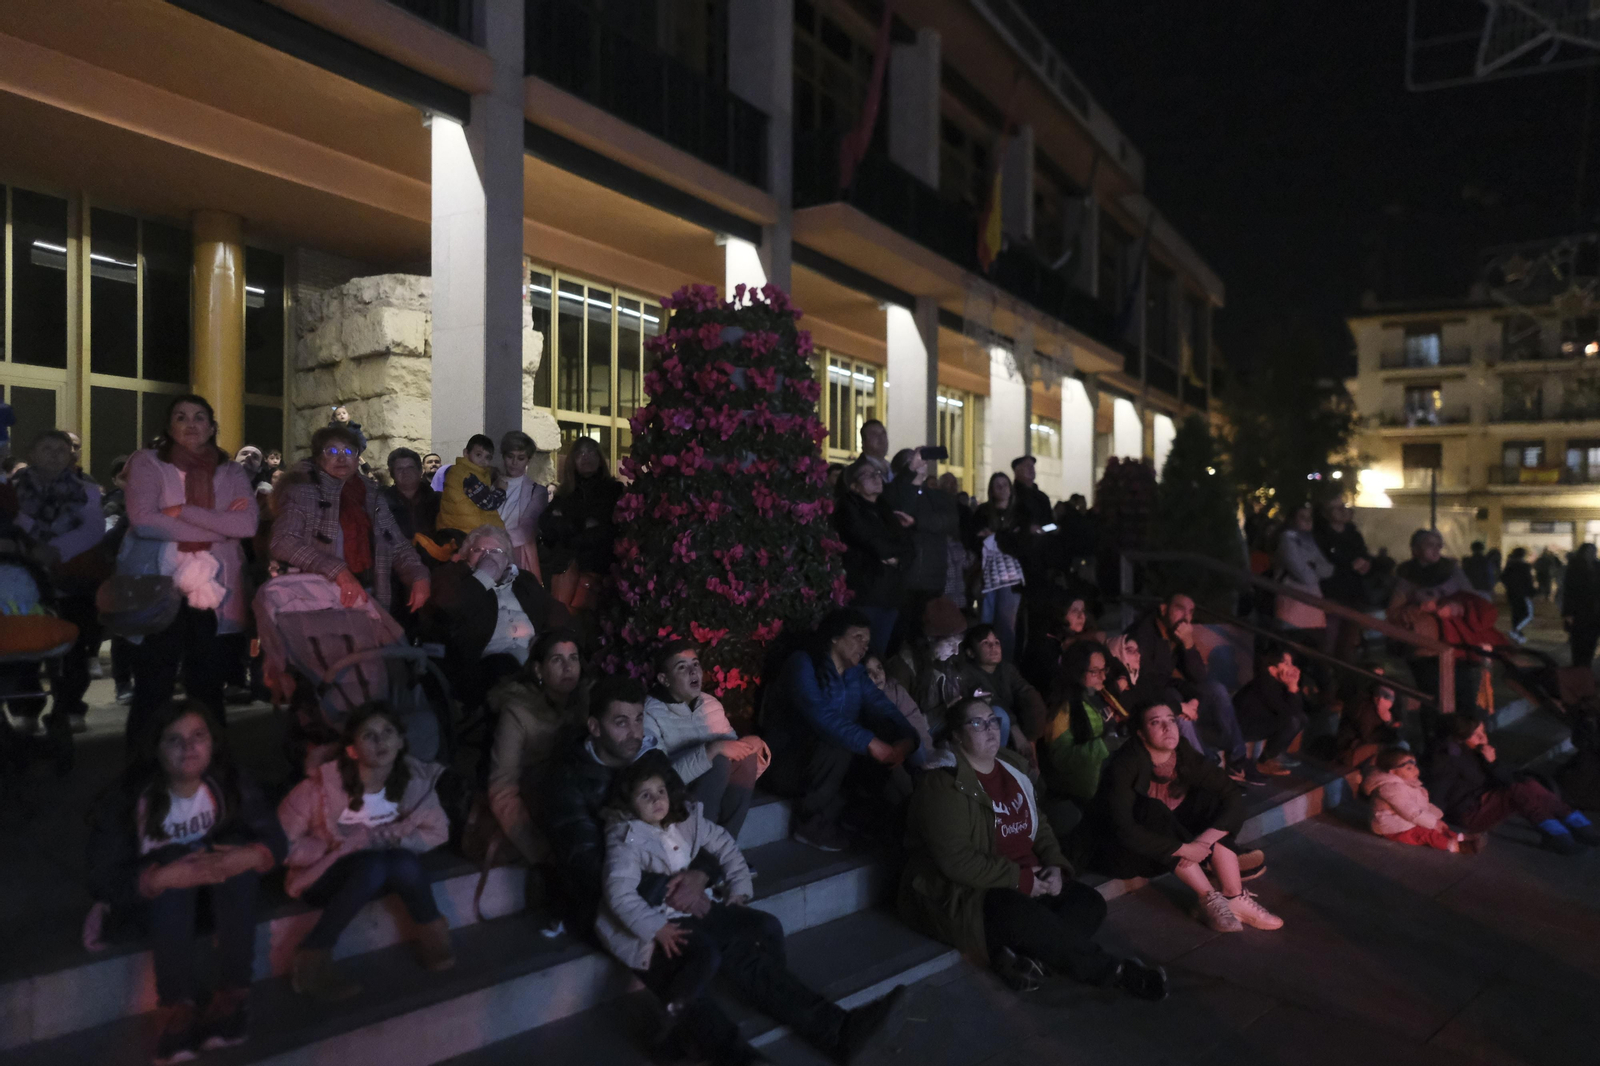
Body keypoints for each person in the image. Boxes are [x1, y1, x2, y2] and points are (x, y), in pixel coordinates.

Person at [599, 753, 914, 1066]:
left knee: (752, 950)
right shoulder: (624, 836)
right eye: (646, 795)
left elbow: (719, 842)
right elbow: (618, 890)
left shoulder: (681, 820)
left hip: (695, 908)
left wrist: (733, 885)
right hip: (653, 925)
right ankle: (741, 1059)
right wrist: (656, 921)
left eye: (660, 792)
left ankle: (839, 1030)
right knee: (694, 979)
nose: (656, 799)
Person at [900, 697, 1167, 999]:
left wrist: (1054, 864)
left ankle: (1025, 961)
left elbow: (1039, 826)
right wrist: (1022, 880)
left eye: (992, 721)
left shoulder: (1012, 767)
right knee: (1018, 913)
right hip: (974, 893)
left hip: (1027, 878)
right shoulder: (942, 784)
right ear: (955, 736)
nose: (989, 729)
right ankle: (1113, 971)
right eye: (977, 723)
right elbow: (957, 862)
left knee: (1089, 902)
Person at [86, 703, 285, 1063]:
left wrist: (251, 855)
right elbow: (105, 876)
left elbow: (275, 839)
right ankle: (176, 1007)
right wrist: (160, 877)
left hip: (216, 902)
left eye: (198, 737)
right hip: (154, 908)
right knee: (171, 862)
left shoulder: (229, 781)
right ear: (156, 749)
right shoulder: (129, 797)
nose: (188, 748)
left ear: (213, 743)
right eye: (174, 740)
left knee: (236, 854)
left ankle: (232, 997)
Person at [278, 704, 453, 1001]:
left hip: (381, 872)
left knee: (402, 861)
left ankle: (434, 937)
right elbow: (282, 845)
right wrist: (339, 846)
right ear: (352, 750)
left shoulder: (414, 783)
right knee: (372, 865)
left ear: (400, 742)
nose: (380, 741)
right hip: (325, 877)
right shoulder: (321, 787)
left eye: (388, 733)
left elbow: (438, 830)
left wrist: (400, 840)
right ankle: (312, 958)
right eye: (369, 735)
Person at [122, 395, 259, 744]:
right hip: (158, 585)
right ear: (170, 427)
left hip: (215, 590)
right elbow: (144, 522)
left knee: (207, 688)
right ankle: (144, 772)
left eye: (200, 417)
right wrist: (220, 528)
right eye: (181, 417)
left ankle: (213, 774)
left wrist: (180, 510)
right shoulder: (148, 463)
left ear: (212, 427)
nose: (191, 424)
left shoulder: (231, 471)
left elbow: (246, 525)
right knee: (153, 687)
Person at [544, 678, 723, 935]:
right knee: (707, 953)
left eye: (639, 719)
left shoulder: (652, 760)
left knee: (763, 930)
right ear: (594, 726)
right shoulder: (568, 778)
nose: (635, 732)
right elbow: (587, 864)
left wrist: (703, 873)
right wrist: (672, 888)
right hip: (619, 906)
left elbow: (688, 822)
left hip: (677, 888)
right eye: (621, 723)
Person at [1095, 699, 1283, 932]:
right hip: (1128, 853)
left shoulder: (1182, 751)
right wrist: (1185, 849)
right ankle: (1209, 898)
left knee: (1212, 801)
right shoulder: (1125, 764)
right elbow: (1124, 830)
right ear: (1141, 734)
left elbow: (1232, 795)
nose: (1167, 728)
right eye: (1156, 722)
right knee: (1153, 809)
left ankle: (1233, 897)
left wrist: (1202, 842)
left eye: (1171, 721)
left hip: (1178, 841)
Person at [761, 609, 919, 852]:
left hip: (830, 762)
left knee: (886, 730)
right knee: (842, 737)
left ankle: (860, 812)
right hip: (787, 760)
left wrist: (908, 739)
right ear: (835, 637)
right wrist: (871, 743)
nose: (864, 646)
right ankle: (809, 822)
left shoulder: (856, 674)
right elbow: (820, 716)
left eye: (867, 641)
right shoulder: (803, 663)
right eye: (857, 637)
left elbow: (884, 707)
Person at [270, 424, 431, 618]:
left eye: (348, 451)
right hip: (315, 597)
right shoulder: (303, 490)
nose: (341, 458)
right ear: (318, 457)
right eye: (331, 451)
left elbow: (395, 542)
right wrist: (337, 571)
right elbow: (284, 541)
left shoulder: (370, 494)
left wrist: (418, 575)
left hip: (367, 592)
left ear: (357, 458)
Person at [10, 429, 104, 734]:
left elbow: (92, 531)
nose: (54, 454)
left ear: (71, 456)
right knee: (21, 644)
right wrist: (34, 549)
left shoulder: (86, 491)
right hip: (23, 576)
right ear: (32, 454)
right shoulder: (12, 490)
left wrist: (55, 551)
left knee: (73, 645)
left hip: (71, 577)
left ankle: (70, 706)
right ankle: (25, 707)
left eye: (61, 450)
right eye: (46, 448)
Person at [425, 524, 564, 708]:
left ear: (507, 559)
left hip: (533, 658)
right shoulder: (454, 577)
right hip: (487, 667)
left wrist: (553, 641)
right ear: (466, 556)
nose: (487, 555)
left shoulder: (523, 580)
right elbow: (447, 610)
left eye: (495, 550)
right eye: (478, 550)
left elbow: (554, 611)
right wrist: (483, 577)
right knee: (504, 666)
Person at [486, 629, 589, 868]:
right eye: (557, 659)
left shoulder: (587, 704)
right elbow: (502, 789)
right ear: (538, 670)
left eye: (573, 658)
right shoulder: (518, 712)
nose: (568, 667)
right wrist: (539, 851)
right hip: (539, 808)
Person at [644, 640, 767, 839]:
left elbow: (735, 755)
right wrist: (712, 750)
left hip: (714, 790)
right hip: (674, 794)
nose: (693, 672)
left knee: (746, 757)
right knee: (717, 760)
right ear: (664, 679)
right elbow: (657, 778)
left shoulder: (710, 705)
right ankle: (700, 848)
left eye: (696, 664)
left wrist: (750, 744)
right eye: (682, 667)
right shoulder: (650, 712)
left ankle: (726, 846)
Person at [1424, 715, 1599, 855]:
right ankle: (1566, 833)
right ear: (1461, 738)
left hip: (1486, 801)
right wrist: (1434, 820)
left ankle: (1574, 829)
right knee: (1518, 791)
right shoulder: (1449, 758)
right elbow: (1440, 790)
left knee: (1528, 785)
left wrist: (1493, 763)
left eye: (1483, 732)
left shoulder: (1478, 752)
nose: (1483, 737)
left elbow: (1507, 777)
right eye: (1476, 735)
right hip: (1470, 814)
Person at [1129, 593, 1256, 783]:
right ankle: (1207, 768)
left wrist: (1188, 644)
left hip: (1168, 692)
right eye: (1180, 608)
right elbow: (1148, 683)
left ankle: (1238, 760)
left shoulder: (1177, 634)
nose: (1186, 616)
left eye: (1191, 611)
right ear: (1164, 609)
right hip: (1146, 700)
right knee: (1177, 704)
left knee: (1216, 689)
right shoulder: (1143, 635)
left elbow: (1198, 677)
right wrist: (1183, 705)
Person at [1389, 529, 1491, 718]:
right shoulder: (1406, 577)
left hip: (1456, 644)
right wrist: (1420, 608)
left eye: (1439, 545)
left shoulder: (1452, 571)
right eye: (1430, 545)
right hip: (1424, 648)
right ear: (1415, 549)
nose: (1436, 549)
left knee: (1464, 697)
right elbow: (1394, 614)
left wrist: (1454, 607)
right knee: (1433, 699)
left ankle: (1463, 740)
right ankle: (1437, 742)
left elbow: (1471, 600)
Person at [832, 458, 912, 657]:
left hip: (892, 595)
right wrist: (890, 552)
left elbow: (909, 547)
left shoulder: (886, 510)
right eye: (868, 474)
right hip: (867, 592)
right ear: (854, 486)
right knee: (865, 655)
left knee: (885, 654)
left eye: (878, 474)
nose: (876, 478)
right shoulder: (848, 508)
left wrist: (897, 559)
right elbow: (869, 539)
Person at [883, 447, 960, 640]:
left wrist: (918, 522)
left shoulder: (936, 496)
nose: (920, 462)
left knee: (929, 638)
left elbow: (949, 521)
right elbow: (899, 512)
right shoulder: (893, 493)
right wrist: (911, 478)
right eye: (912, 461)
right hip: (904, 580)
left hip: (933, 580)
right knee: (901, 636)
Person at [539, 436, 623, 607]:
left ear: (600, 458)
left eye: (592, 452)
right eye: (581, 453)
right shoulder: (563, 494)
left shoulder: (614, 491)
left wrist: (567, 526)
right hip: (566, 561)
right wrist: (581, 525)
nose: (586, 457)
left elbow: (608, 529)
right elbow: (547, 526)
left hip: (597, 562)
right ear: (573, 460)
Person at [1039, 640, 1118, 815]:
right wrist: (1104, 745)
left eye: (1104, 670)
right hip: (1084, 792)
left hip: (1104, 777)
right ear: (1077, 671)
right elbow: (1061, 759)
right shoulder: (1063, 709)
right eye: (1095, 671)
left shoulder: (1095, 695)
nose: (1103, 677)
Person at [1361, 747, 1478, 853]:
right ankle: (1455, 846)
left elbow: (1420, 805)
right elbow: (1411, 811)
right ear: (1393, 772)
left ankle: (1457, 837)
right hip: (1393, 827)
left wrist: (1436, 818)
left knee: (1437, 826)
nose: (1416, 771)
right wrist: (1433, 822)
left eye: (1415, 766)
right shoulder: (1390, 789)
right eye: (1409, 768)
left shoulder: (1407, 784)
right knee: (1426, 834)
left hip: (1405, 820)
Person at [957, 622, 1048, 751]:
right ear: (971, 653)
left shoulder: (1006, 669)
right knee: (999, 714)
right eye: (985, 643)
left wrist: (1031, 740)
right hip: (983, 729)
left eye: (996, 642)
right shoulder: (967, 673)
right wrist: (1015, 729)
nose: (993, 647)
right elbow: (991, 700)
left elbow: (1026, 692)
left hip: (1015, 727)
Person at [1273, 504, 1333, 695]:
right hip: (1292, 614)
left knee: (1318, 665)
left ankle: (1317, 706)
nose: (1307, 521)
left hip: (1314, 614)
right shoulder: (1286, 540)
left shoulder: (1309, 540)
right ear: (1292, 519)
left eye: (1310, 517)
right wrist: (1313, 566)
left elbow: (1328, 569)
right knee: (1291, 664)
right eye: (1302, 516)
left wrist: (1311, 566)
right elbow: (1304, 574)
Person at [1232, 646, 1310, 778]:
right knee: (1293, 721)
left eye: (1291, 663)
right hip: (1243, 727)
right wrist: (1292, 688)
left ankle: (1274, 755)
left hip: (1260, 723)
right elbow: (1287, 714)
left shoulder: (1279, 683)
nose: (1291, 667)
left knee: (1301, 718)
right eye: (1286, 663)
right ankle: (1264, 761)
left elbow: (1296, 711)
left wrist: (1294, 686)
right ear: (1272, 668)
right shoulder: (1264, 682)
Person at [1314, 498, 1372, 671]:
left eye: (1343, 507)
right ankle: (1327, 681)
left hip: (1353, 594)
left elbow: (1364, 553)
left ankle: (1346, 683)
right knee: (1329, 642)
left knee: (1349, 643)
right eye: (1336, 508)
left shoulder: (1353, 533)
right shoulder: (1320, 536)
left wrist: (1366, 563)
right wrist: (1348, 565)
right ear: (1326, 514)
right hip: (1332, 593)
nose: (1342, 511)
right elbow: (1322, 564)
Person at [974, 472, 1027, 661]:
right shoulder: (983, 513)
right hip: (988, 575)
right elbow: (975, 539)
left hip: (1010, 576)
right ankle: (985, 663)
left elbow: (1020, 542)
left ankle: (1005, 666)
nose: (1002, 488)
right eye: (997, 485)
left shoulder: (1020, 513)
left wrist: (996, 536)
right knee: (986, 621)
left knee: (1006, 625)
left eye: (1005, 484)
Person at [496, 430, 547, 580]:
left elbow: (527, 529)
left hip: (518, 555)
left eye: (520, 458)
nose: (514, 462)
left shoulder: (537, 491)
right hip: (488, 551)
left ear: (528, 460)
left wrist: (493, 541)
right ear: (504, 456)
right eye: (510, 456)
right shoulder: (492, 483)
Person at [437, 433, 505, 536]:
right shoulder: (467, 476)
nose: (483, 461)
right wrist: (501, 489)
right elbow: (488, 503)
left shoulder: (462, 471)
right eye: (478, 455)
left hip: (456, 529)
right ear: (466, 453)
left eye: (488, 457)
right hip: (467, 534)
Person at [1336, 680, 1402, 768]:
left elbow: (1400, 735)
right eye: (1378, 694)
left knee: (1401, 746)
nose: (1380, 699)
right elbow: (1368, 738)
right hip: (1349, 751)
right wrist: (1387, 724)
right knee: (1395, 749)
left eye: (1387, 696)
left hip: (1365, 748)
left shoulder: (1393, 714)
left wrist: (1389, 722)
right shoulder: (1364, 708)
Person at [381, 447, 440, 544]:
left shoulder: (438, 501)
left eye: (410, 467)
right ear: (392, 474)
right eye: (399, 469)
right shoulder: (382, 503)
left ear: (420, 471)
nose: (405, 472)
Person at [1562, 542, 1600, 667]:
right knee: (1579, 640)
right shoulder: (1575, 567)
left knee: (1590, 640)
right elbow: (1569, 591)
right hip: (1580, 610)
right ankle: (1579, 667)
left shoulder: (1596, 566)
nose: (1592, 554)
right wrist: (1568, 612)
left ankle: (1585, 666)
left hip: (1594, 610)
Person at [1500, 546, 1536, 644]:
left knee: (1516, 614)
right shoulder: (1524, 567)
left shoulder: (1509, 566)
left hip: (1512, 594)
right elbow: (1528, 581)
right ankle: (1515, 631)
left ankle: (1517, 636)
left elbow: (1503, 578)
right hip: (1523, 594)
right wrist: (1532, 591)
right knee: (1528, 614)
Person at [1009, 456, 1052, 532]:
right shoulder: (1010, 495)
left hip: (1042, 541)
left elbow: (1050, 523)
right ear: (1016, 470)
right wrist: (1026, 529)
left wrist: (1045, 529)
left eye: (1032, 466)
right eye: (1027, 466)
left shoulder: (1042, 497)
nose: (1031, 469)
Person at [857, 419, 891, 483]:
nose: (881, 438)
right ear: (863, 442)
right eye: (874, 434)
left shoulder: (893, 468)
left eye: (883, 434)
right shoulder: (856, 471)